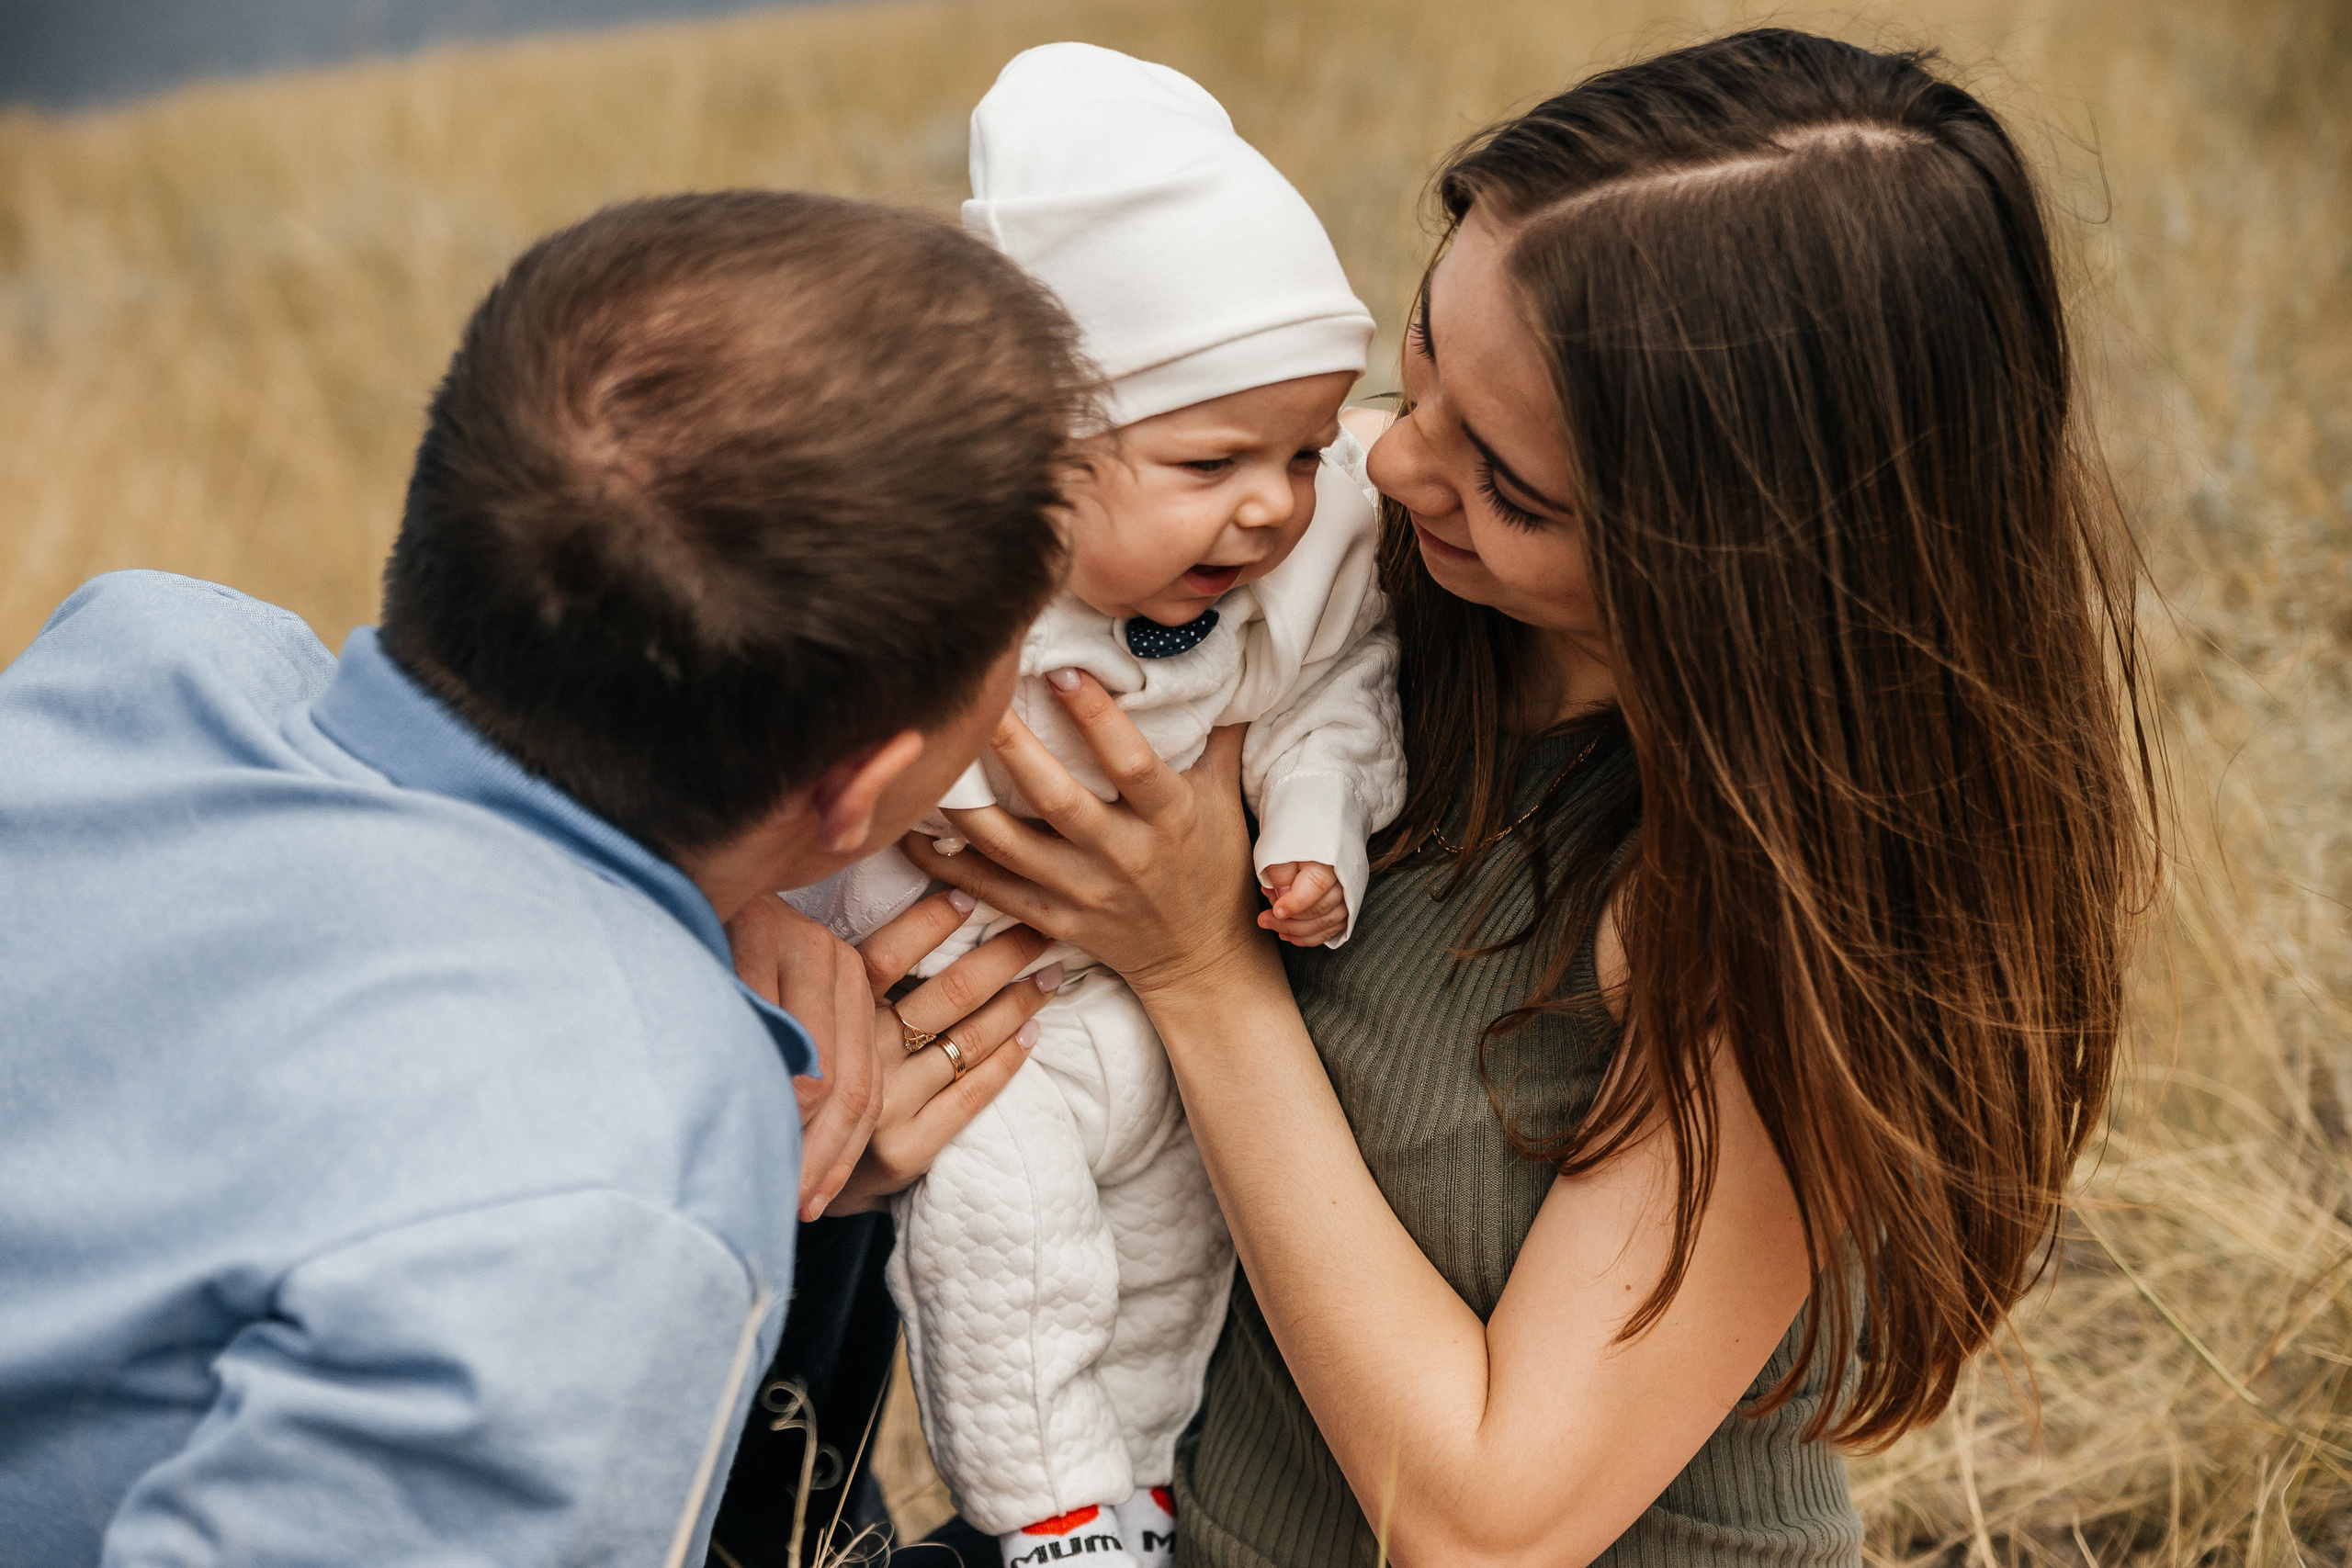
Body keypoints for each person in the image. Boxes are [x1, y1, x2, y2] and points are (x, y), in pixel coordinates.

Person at [893, 29, 2157, 1566]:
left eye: (1512, 486)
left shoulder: (1788, 910)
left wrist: (1200, 971)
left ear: (1744, 559)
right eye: (1417, 358)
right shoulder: (1323, 557)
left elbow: (1486, 1526)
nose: (1392, 464)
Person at [0, 189, 1091, 1565]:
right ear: (856, 792)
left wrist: (714, 918)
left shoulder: (148, 653)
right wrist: (707, 1139)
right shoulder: (621, 1181)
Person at [787, 45, 1403, 1568]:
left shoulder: (1292, 573)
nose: (1268, 505)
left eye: (1305, 453)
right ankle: (1051, 1517)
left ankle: (1141, 1488)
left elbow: (1336, 703)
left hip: (1154, 1005)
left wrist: (1316, 829)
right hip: (975, 1032)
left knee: (1172, 1259)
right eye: (1209, 460)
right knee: (1010, 1251)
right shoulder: (939, 590)